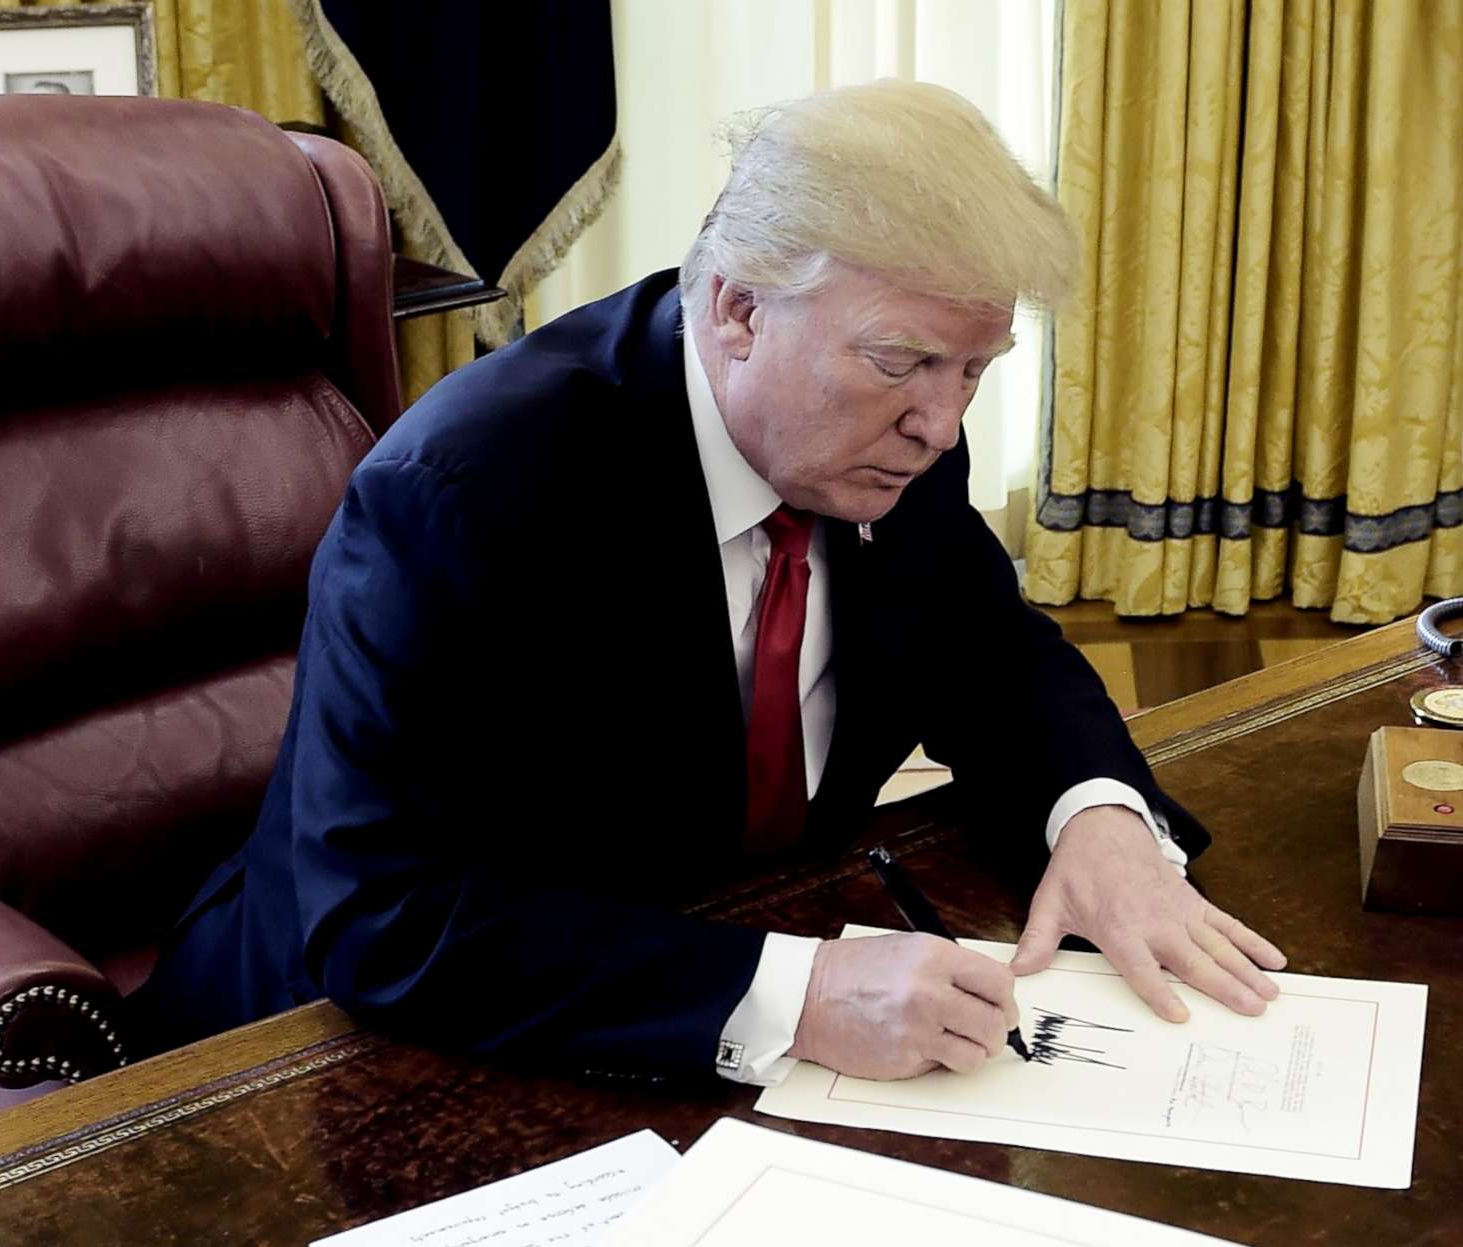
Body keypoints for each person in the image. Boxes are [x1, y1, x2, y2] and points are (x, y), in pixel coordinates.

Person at [133, 81, 1284, 1084]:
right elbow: (385, 918)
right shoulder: (466, 496)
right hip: (324, 1050)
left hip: (699, 943)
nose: (942, 421)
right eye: (904, 363)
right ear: (736, 309)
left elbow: (988, 648)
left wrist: (1101, 819)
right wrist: (799, 996)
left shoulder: (894, 436)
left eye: (976, 369)